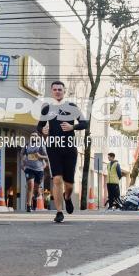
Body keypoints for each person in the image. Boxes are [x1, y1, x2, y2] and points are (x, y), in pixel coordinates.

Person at [37, 80, 89, 223]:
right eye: (55, 89)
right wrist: (43, 130)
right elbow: (39, 127)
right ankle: (59, 212)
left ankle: (67, 197)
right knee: (57, 179)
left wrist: (73, 127)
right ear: (51, 91)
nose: (57, 91)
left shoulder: (72, 107)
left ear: (64, 91)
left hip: (69, 149)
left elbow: (85, 123)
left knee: (69, 184)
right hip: (53, 148)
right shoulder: (47, 109)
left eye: (60, 89)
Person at [20, 133, 49, 212]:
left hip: (39, 169)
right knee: (30, 185)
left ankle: (35, 197)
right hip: (29, 168)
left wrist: (40, 156)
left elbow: (47, 156)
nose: (34, 137)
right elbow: (22, 154)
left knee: (36, 188)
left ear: (38, 138)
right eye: (32, 135)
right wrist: (23, 162)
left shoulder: (41, 146)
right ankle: (28, 205)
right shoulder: (26, 146)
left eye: (35, 136)